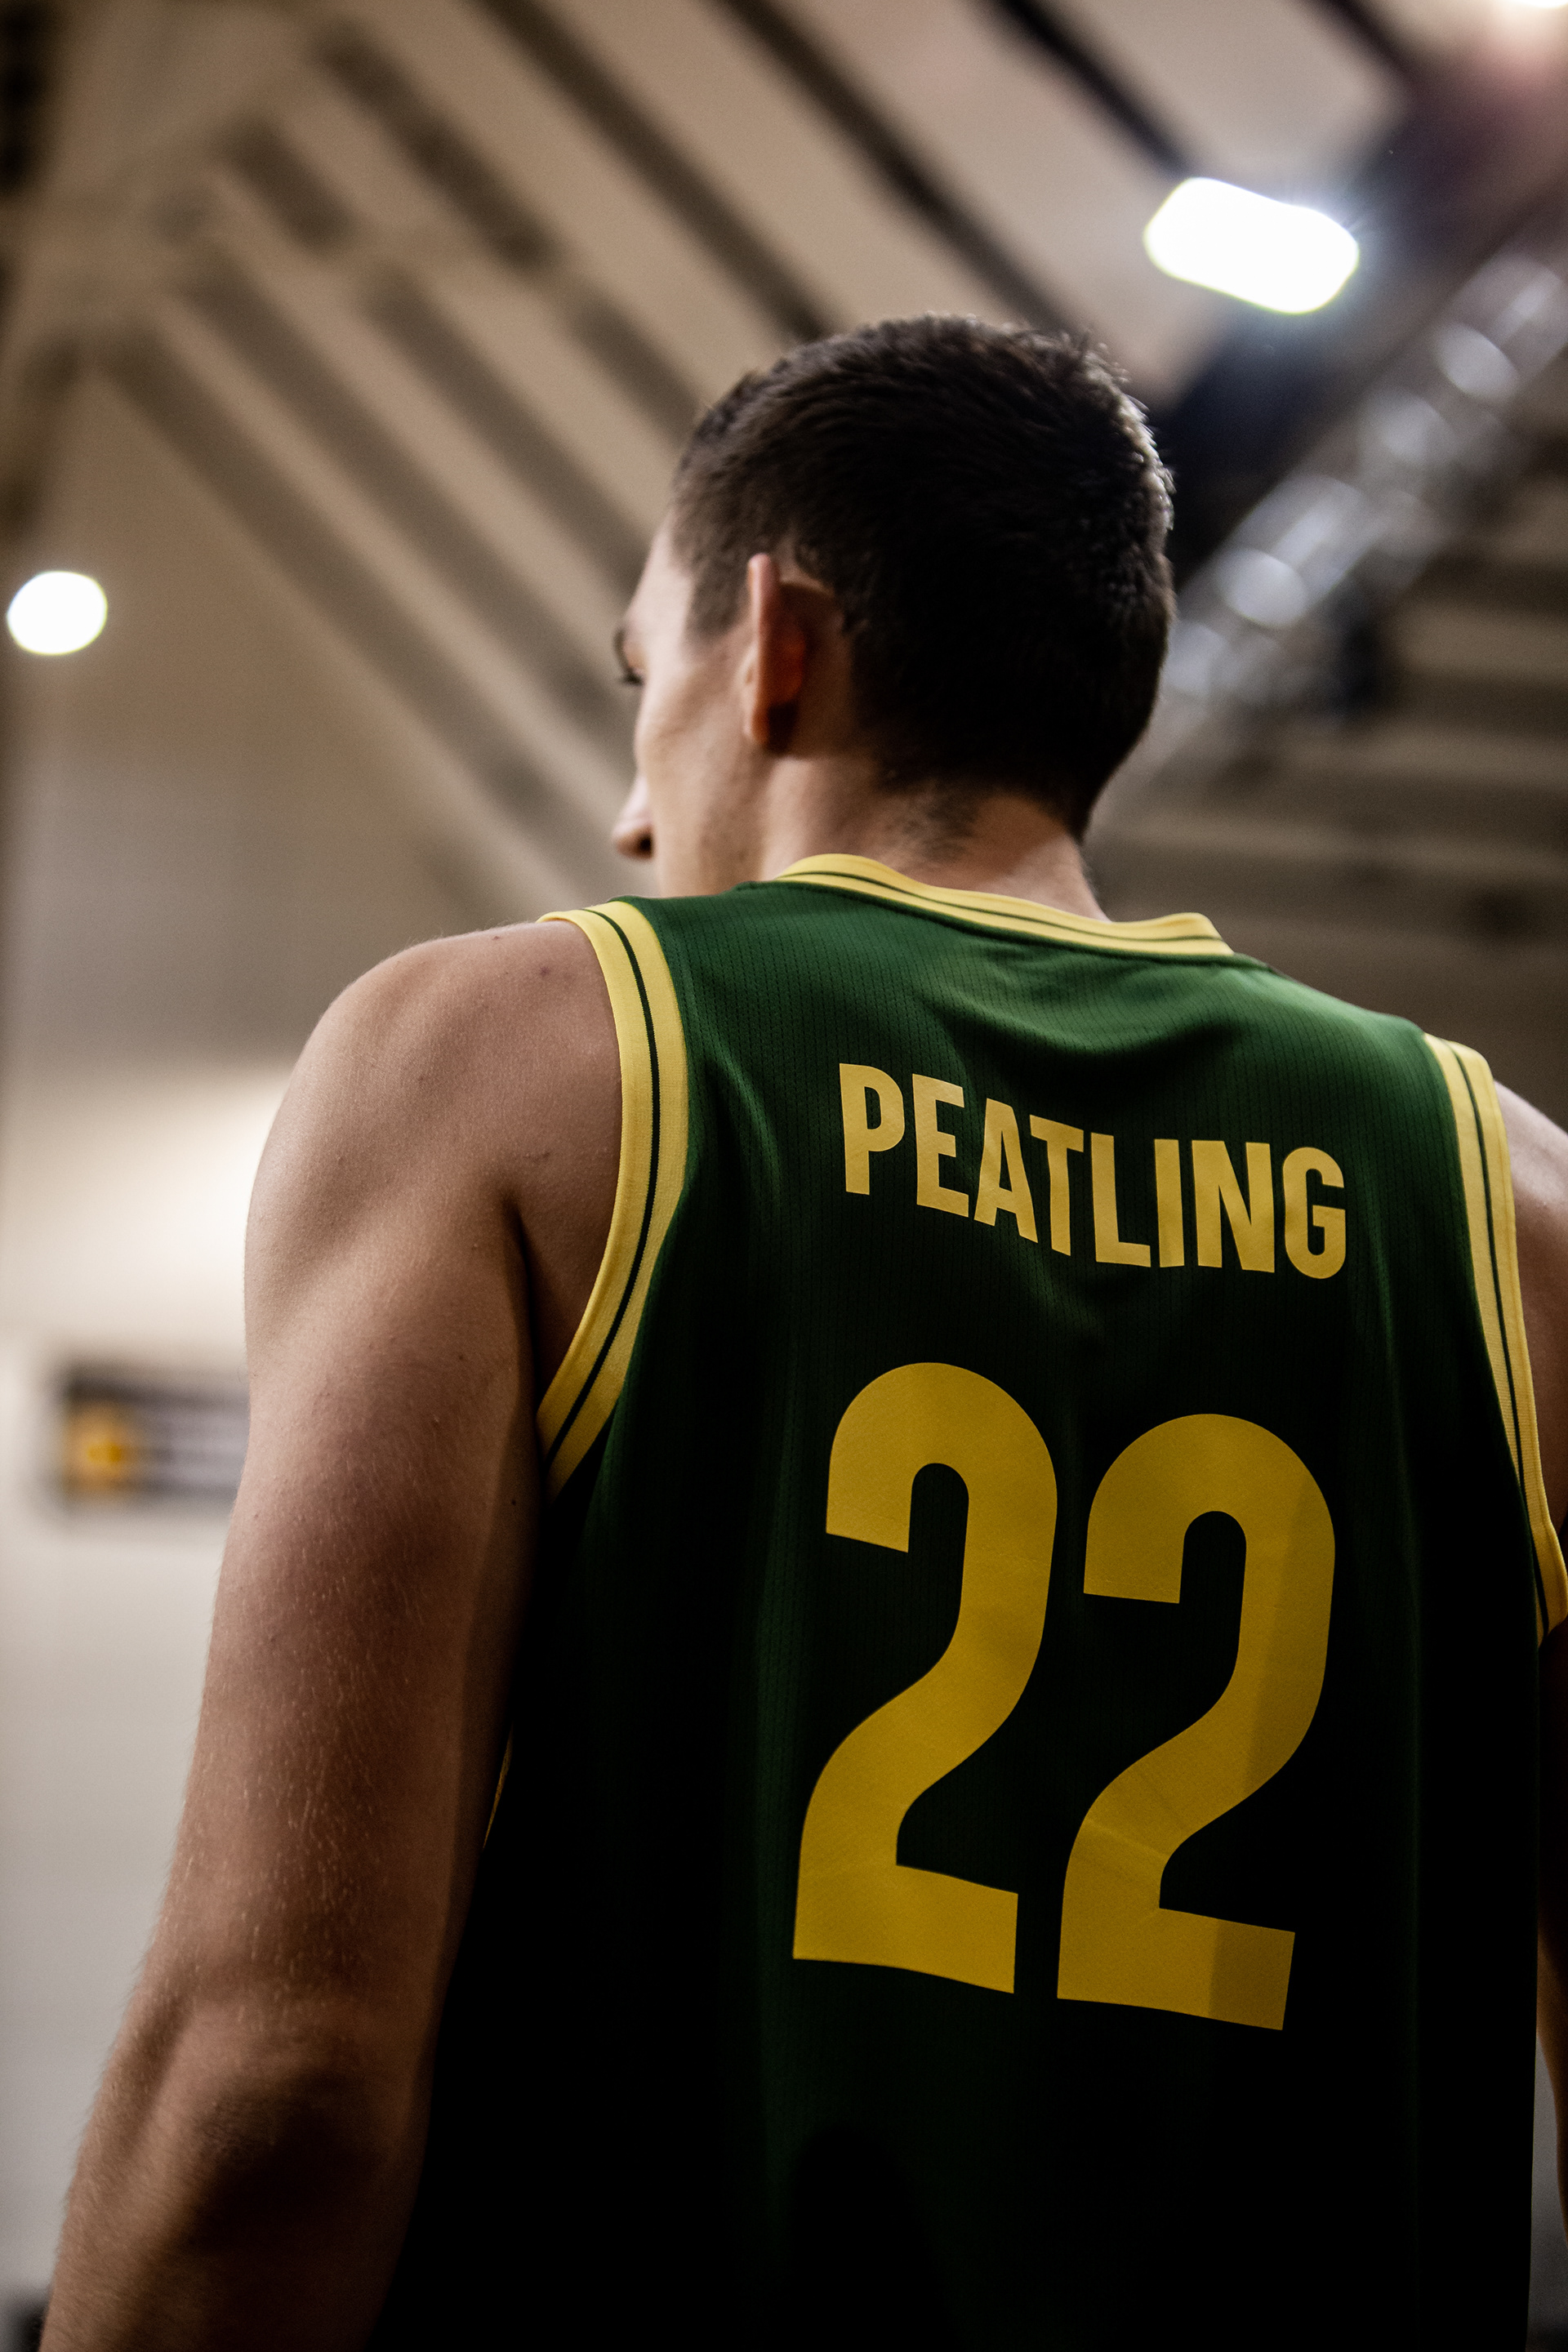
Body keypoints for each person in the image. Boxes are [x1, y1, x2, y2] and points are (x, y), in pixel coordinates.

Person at [38, 317, 1568, 2351]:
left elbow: (281, 2088)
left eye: (636, 684)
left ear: (774, 643)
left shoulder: (506, 1065)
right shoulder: (1512, 1207)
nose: (628, 815)